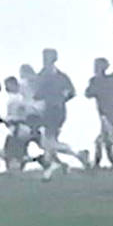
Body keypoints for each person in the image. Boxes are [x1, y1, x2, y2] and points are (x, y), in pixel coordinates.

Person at [32, 48, 89, 177]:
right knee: (49, 141)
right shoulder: (44, 76)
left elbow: (71, 92)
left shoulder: (56, 77)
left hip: (55, 110)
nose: (45, 60)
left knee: (49, 141)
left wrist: (61, 98)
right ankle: (59, 166)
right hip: (48, 110)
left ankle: (77, 155)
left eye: (47, 57)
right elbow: (37, 94)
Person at [84, 57, 113, 170]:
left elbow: (89, 93)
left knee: (109, 139)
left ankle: (109, 162)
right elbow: (88, 93)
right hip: (106, 113)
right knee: (105, 139)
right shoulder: (105, 80)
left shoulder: (105, 80)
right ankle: (106, 162)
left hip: (109, 113)